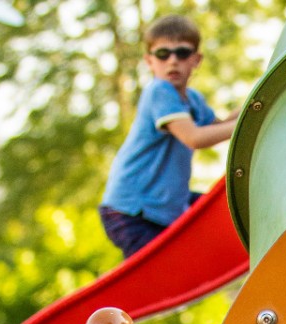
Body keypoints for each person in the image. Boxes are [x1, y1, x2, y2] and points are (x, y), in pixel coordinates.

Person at [99, 14, 238, 258]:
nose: (172, 61)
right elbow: (194, 137)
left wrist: (258, 102)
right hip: (132, 210)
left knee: (222, 212)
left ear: (196, 60)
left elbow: (223, 126)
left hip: (167, 205)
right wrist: (240, 125)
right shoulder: (159, 92)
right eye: (163, 54)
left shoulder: (192, 99)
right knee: (155, 276)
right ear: (149, 61)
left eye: (182, 53)